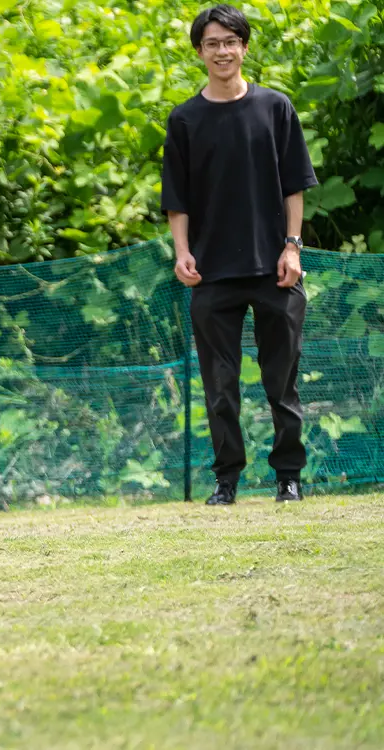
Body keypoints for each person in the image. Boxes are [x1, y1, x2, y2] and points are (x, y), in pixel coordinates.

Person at [160, 4, 318, 505]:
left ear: (244, 47)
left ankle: (288, 478)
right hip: (210, 273)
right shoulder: (185, 120)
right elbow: (176, 198)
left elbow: (295, 186)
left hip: (275, 268)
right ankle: (226, 482)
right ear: (200, 52)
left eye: (231, 41)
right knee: (220, 387)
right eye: (212, 43)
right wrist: (181, 252)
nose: (222, 51)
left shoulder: (276, 108)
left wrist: (292, 247)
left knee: (282, 385)